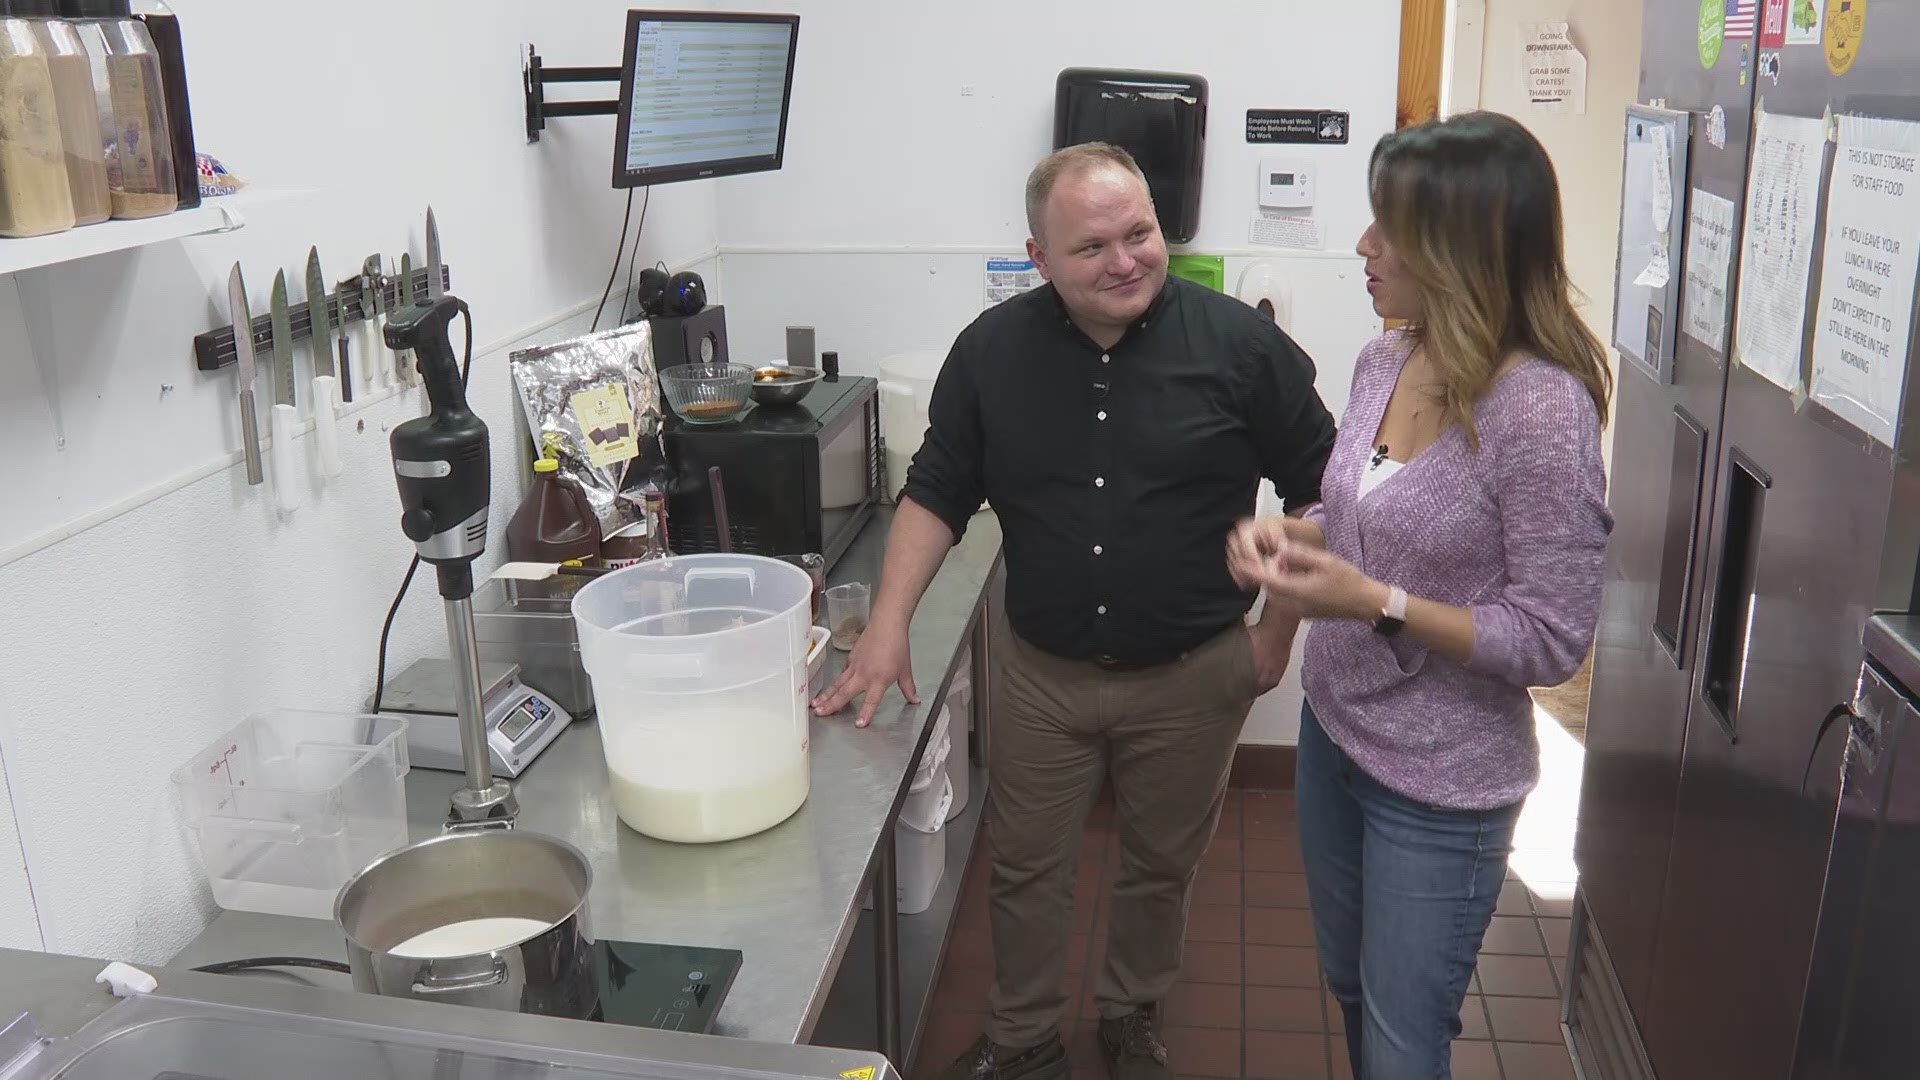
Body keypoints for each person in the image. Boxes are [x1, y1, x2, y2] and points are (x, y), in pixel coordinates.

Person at [811, 141, 1337, 1080]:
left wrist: (1277, 629)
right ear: (1040, 256)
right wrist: (887, 624)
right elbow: (936, 488)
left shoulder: (1242, 347)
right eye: (1093, 247)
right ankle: (1023, 1041)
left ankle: (1132, 1017)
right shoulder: (990, 354)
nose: (1126, 259)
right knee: (1024, 869)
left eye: (1140, 233)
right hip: (1041, 675)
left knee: (1160, 866)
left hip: (1193, 673)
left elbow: (1320, 493)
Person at [1226, 110, 1613, 1079]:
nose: (1364, 245)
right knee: (1354, 994)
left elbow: (1552, 638)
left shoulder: (1540, 409)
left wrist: (1375, 602)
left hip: (1442, 787)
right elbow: (1360, 522)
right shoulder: (1384, 359)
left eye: (1385, 226)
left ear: (1459, 248)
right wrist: (1299, 542)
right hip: (1335, 738)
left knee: (1405, 1047)